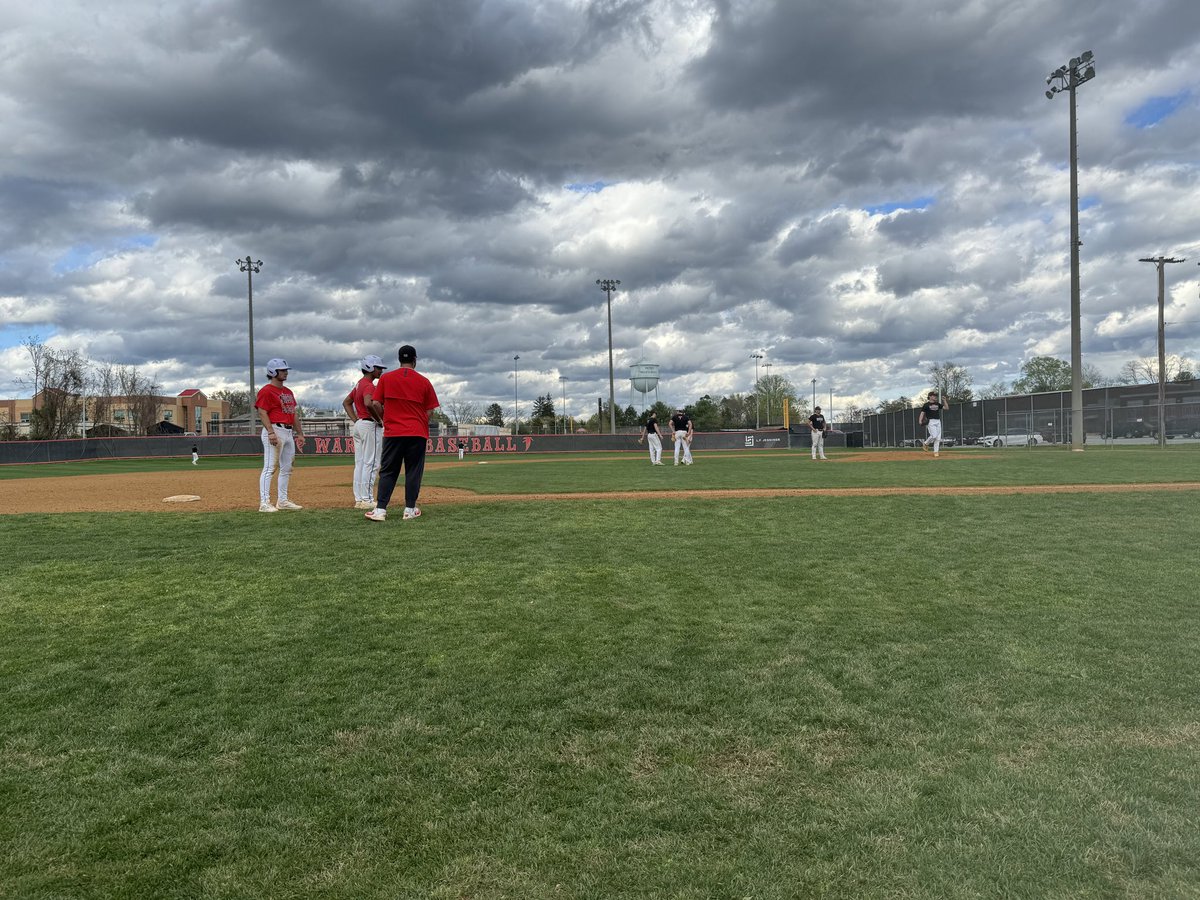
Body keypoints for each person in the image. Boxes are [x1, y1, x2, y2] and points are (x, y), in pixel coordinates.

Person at [365, 345, 440, 522]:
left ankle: (381, 510)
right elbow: (430, 411)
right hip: (417, 432)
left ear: (399, 360)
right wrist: (419, 421)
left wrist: (386, 418)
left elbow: (375, 404)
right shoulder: (424, 381)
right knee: (413, 471)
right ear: (414, 360)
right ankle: (410, 509)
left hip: (393, 432)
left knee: (389, 471)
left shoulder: (387, 378)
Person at [255, 358, 306, 512]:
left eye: (285, 370)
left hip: (288, 431)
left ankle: (282, 501)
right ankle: (264, 503)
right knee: (270, 467)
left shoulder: (288, 391)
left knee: (287, 468)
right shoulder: (266, 390)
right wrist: (270, 432)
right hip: (275, 430)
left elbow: (293, 413)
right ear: (273, 372)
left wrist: (300, 434)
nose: (285, 372)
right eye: (282, 370)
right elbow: (262, 411)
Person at [342, 354, 386, 510]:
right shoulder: (368, 385)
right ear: (370, 368)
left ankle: (359, 499)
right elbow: (369, 403)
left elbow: (346, 403)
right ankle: (366, 499)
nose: (381, 370)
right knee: (372, 463)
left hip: (360, 424)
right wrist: (378, 420)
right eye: (378, 368)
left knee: (360, 463)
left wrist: (355, 420)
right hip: (369, 425)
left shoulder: (359, 384)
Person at [918, 390, 950, 456]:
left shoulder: (937, 404)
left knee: (938, 438)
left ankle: (936, 452)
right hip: (931, 421)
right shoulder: (926, 405)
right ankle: (926, 443)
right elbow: (922, 413)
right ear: (929, 396)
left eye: (935, 396)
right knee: (934, 436)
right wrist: (920, 420)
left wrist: (944, 400)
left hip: (938, 421)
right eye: (933, 396)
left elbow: (946, 408)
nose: (935, 397)